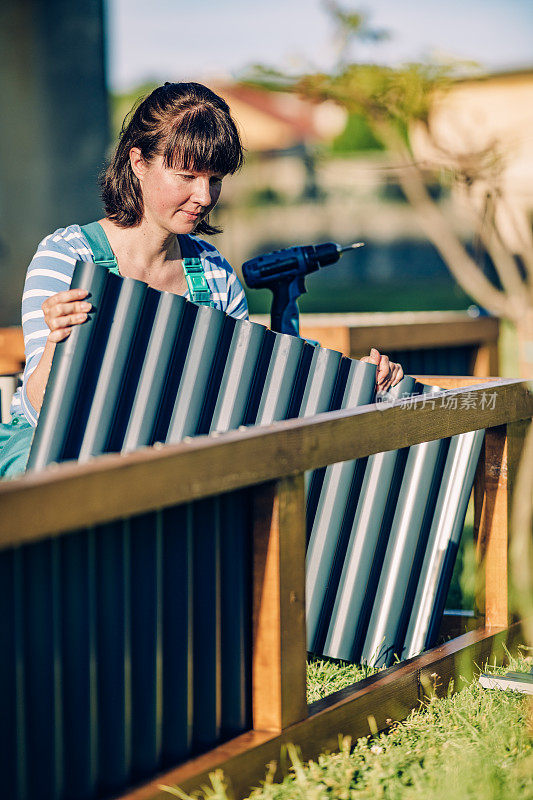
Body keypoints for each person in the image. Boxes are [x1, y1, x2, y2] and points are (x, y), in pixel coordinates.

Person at [1, 81, 402, 478]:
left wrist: (360, 381)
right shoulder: (68, 256)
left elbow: (248, 394)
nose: (205, 197)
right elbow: (39, 410)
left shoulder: (213, 274)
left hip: (175, 472)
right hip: (60, 466)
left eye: (215, 179)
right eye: (187, 176)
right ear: (138, 163)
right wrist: (58, 342)